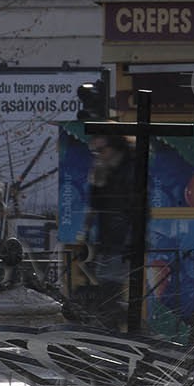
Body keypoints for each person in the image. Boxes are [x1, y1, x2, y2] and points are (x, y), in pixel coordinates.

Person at [78, 135, 138, 331]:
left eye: (102, 150)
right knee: (108, 290)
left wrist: (132, 240)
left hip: (121, 240)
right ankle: (118, 328)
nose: (98, 155)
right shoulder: (106, 170)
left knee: (109, 290)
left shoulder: (129, 170)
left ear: (115, 149)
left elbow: (132, 209)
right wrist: (97, 180)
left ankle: (126, 328)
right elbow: (96, 205)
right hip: (106, 239)